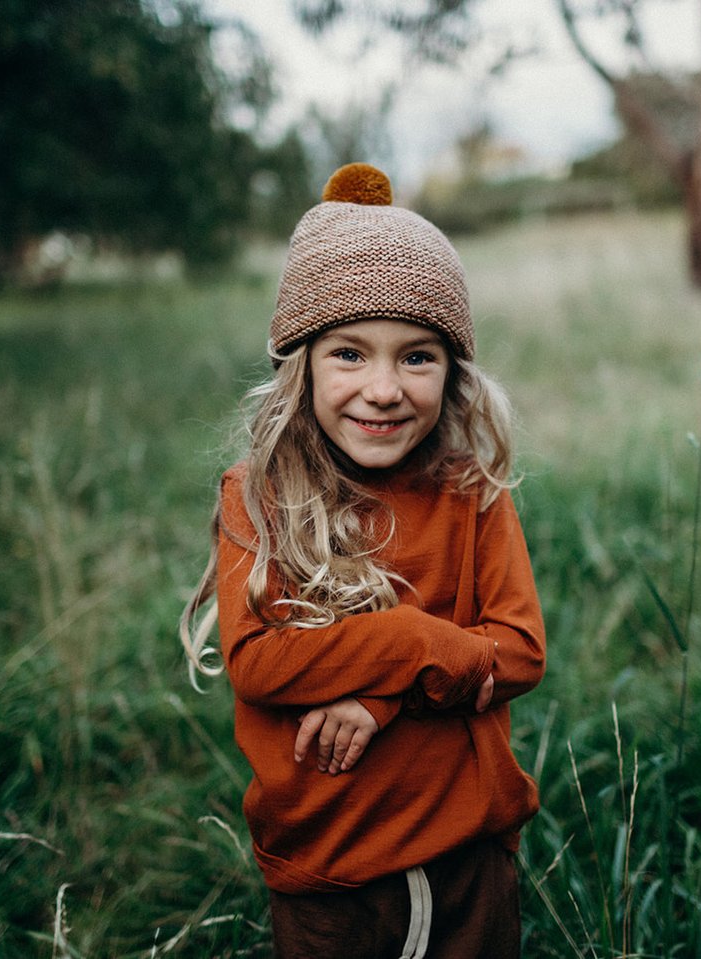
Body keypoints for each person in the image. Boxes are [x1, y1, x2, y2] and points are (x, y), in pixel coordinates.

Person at [180, 162, 546, 959]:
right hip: (328, 869)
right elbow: (260, 663)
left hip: (468, 856)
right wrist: (417, 644)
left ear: (453, 374)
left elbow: (516, 652)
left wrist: (378, 700)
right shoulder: (260, 496)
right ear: (300, 363)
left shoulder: (473, 493)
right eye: (350, 353)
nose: (383, 388)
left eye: (417, 357)